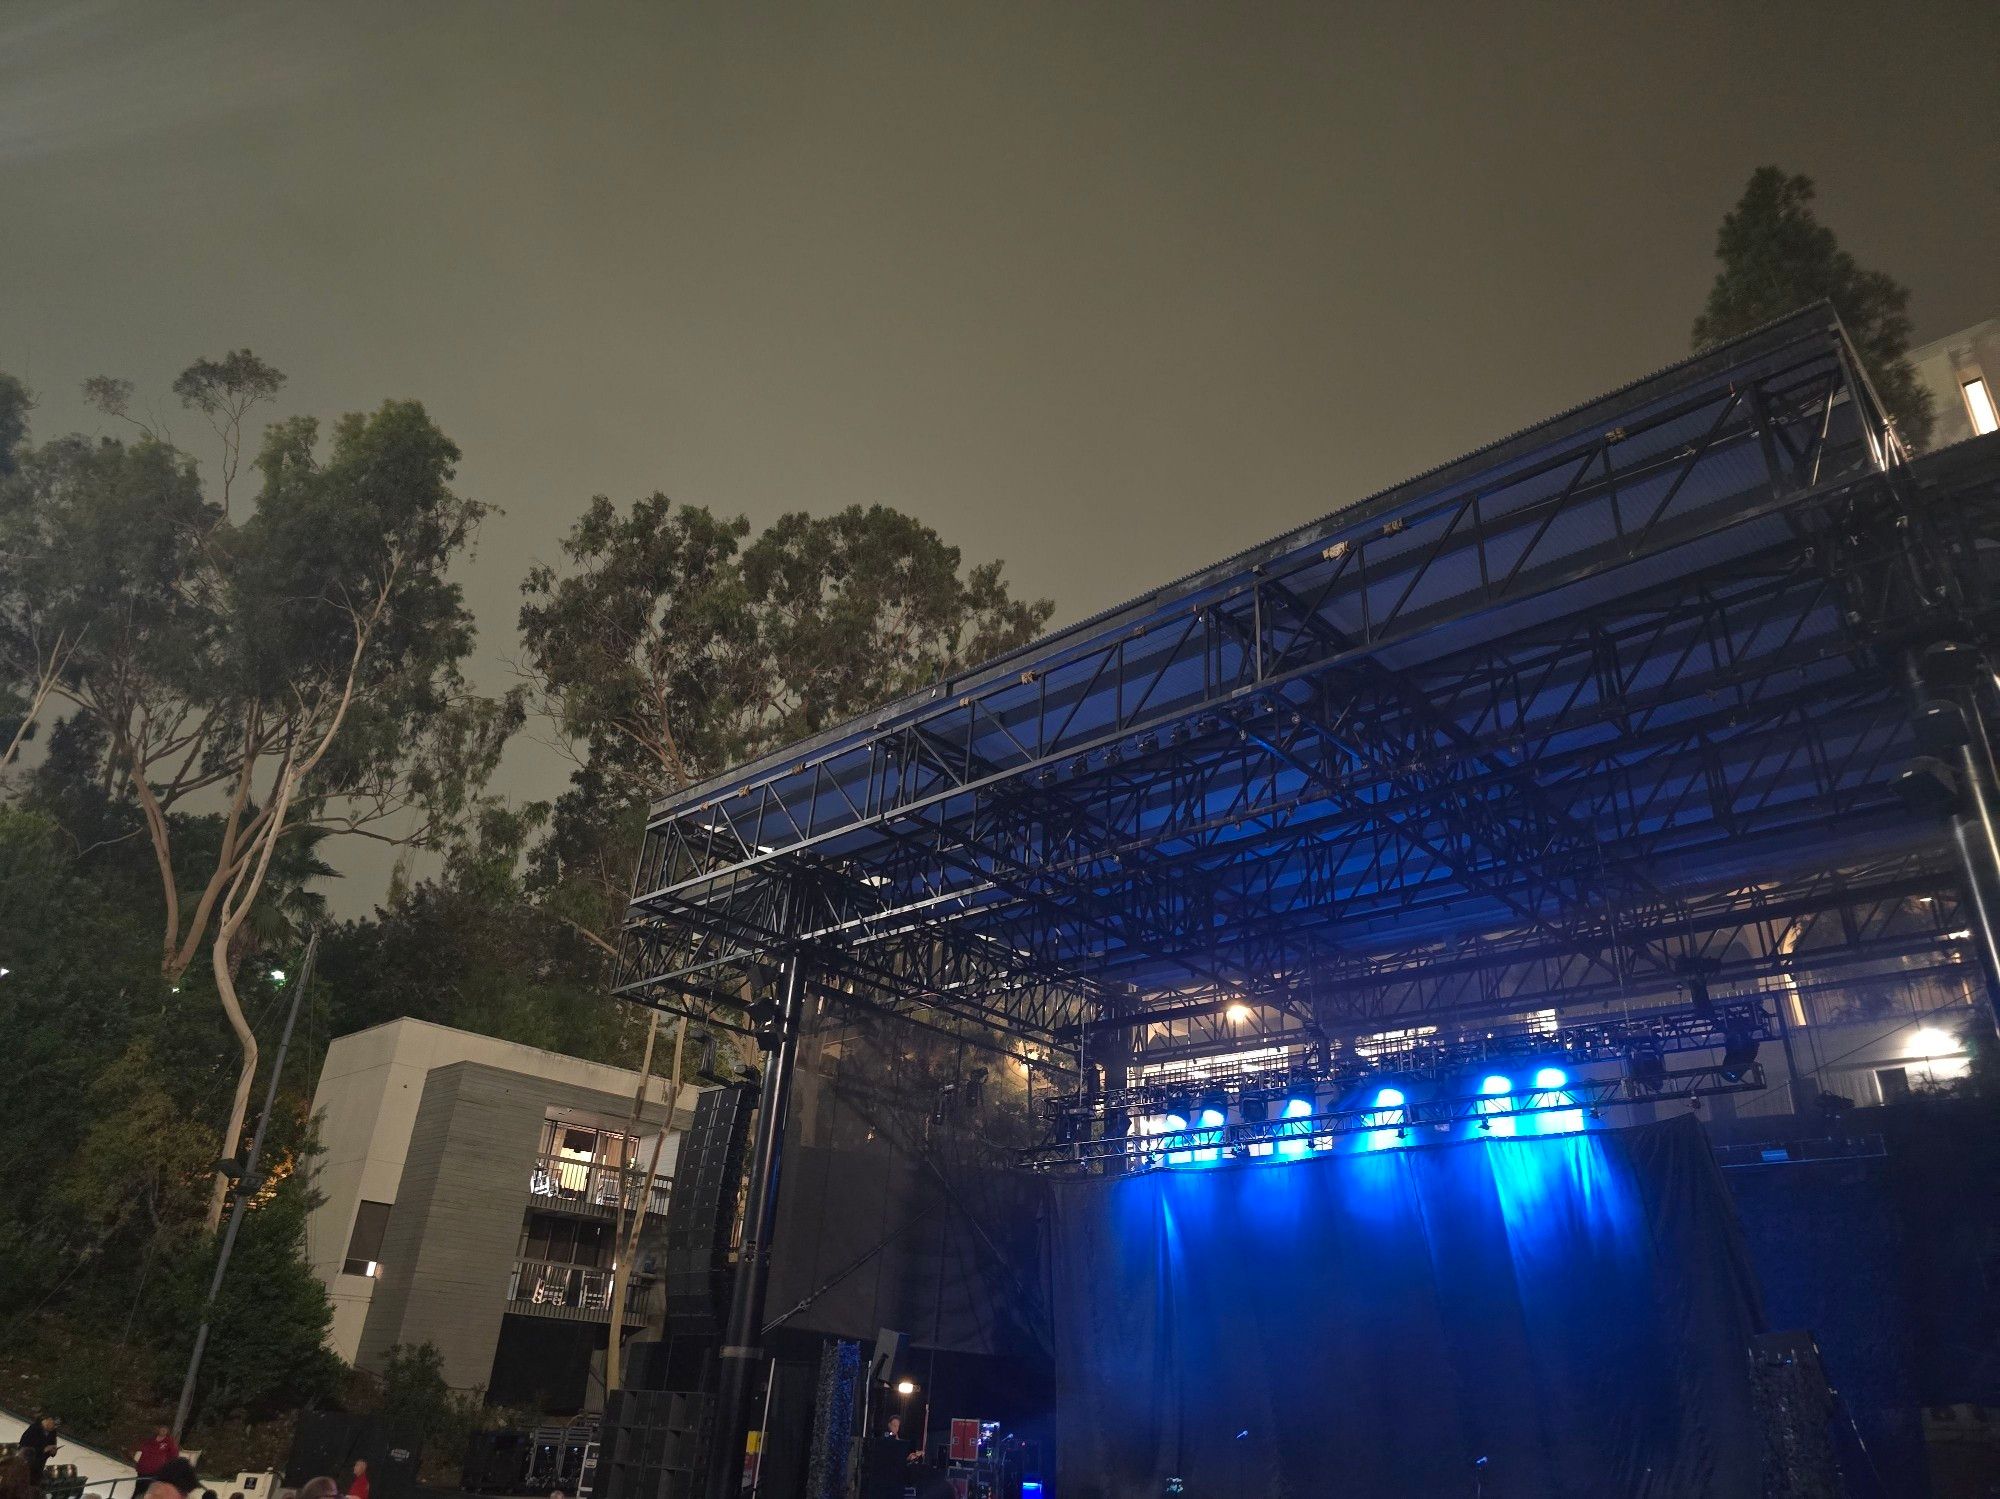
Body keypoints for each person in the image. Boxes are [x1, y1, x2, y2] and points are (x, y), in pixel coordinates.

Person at [134, 1426, 180, 1491]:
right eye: (162, 1427)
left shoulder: (169, 1442)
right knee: (138, 1489)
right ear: (158, 1429)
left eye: (166, 1428)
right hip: (143, 1469)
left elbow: (174, 1456)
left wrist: (167, 1468)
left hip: (156, 1472)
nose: (163, 1430)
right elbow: (142, 1450)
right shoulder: (150, 1439)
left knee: (149, 1490)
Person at [17, 1417, 58, 1487]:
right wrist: (43, 1449)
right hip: (27, 1463)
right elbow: (24, 1445)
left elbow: (53, 1445)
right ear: (49, 1420)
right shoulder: (34, 1428)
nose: (54, 1427)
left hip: (39, 1466)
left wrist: (53, 1452)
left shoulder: (53, 1432)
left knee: (34, 1486)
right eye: (53, 1424)